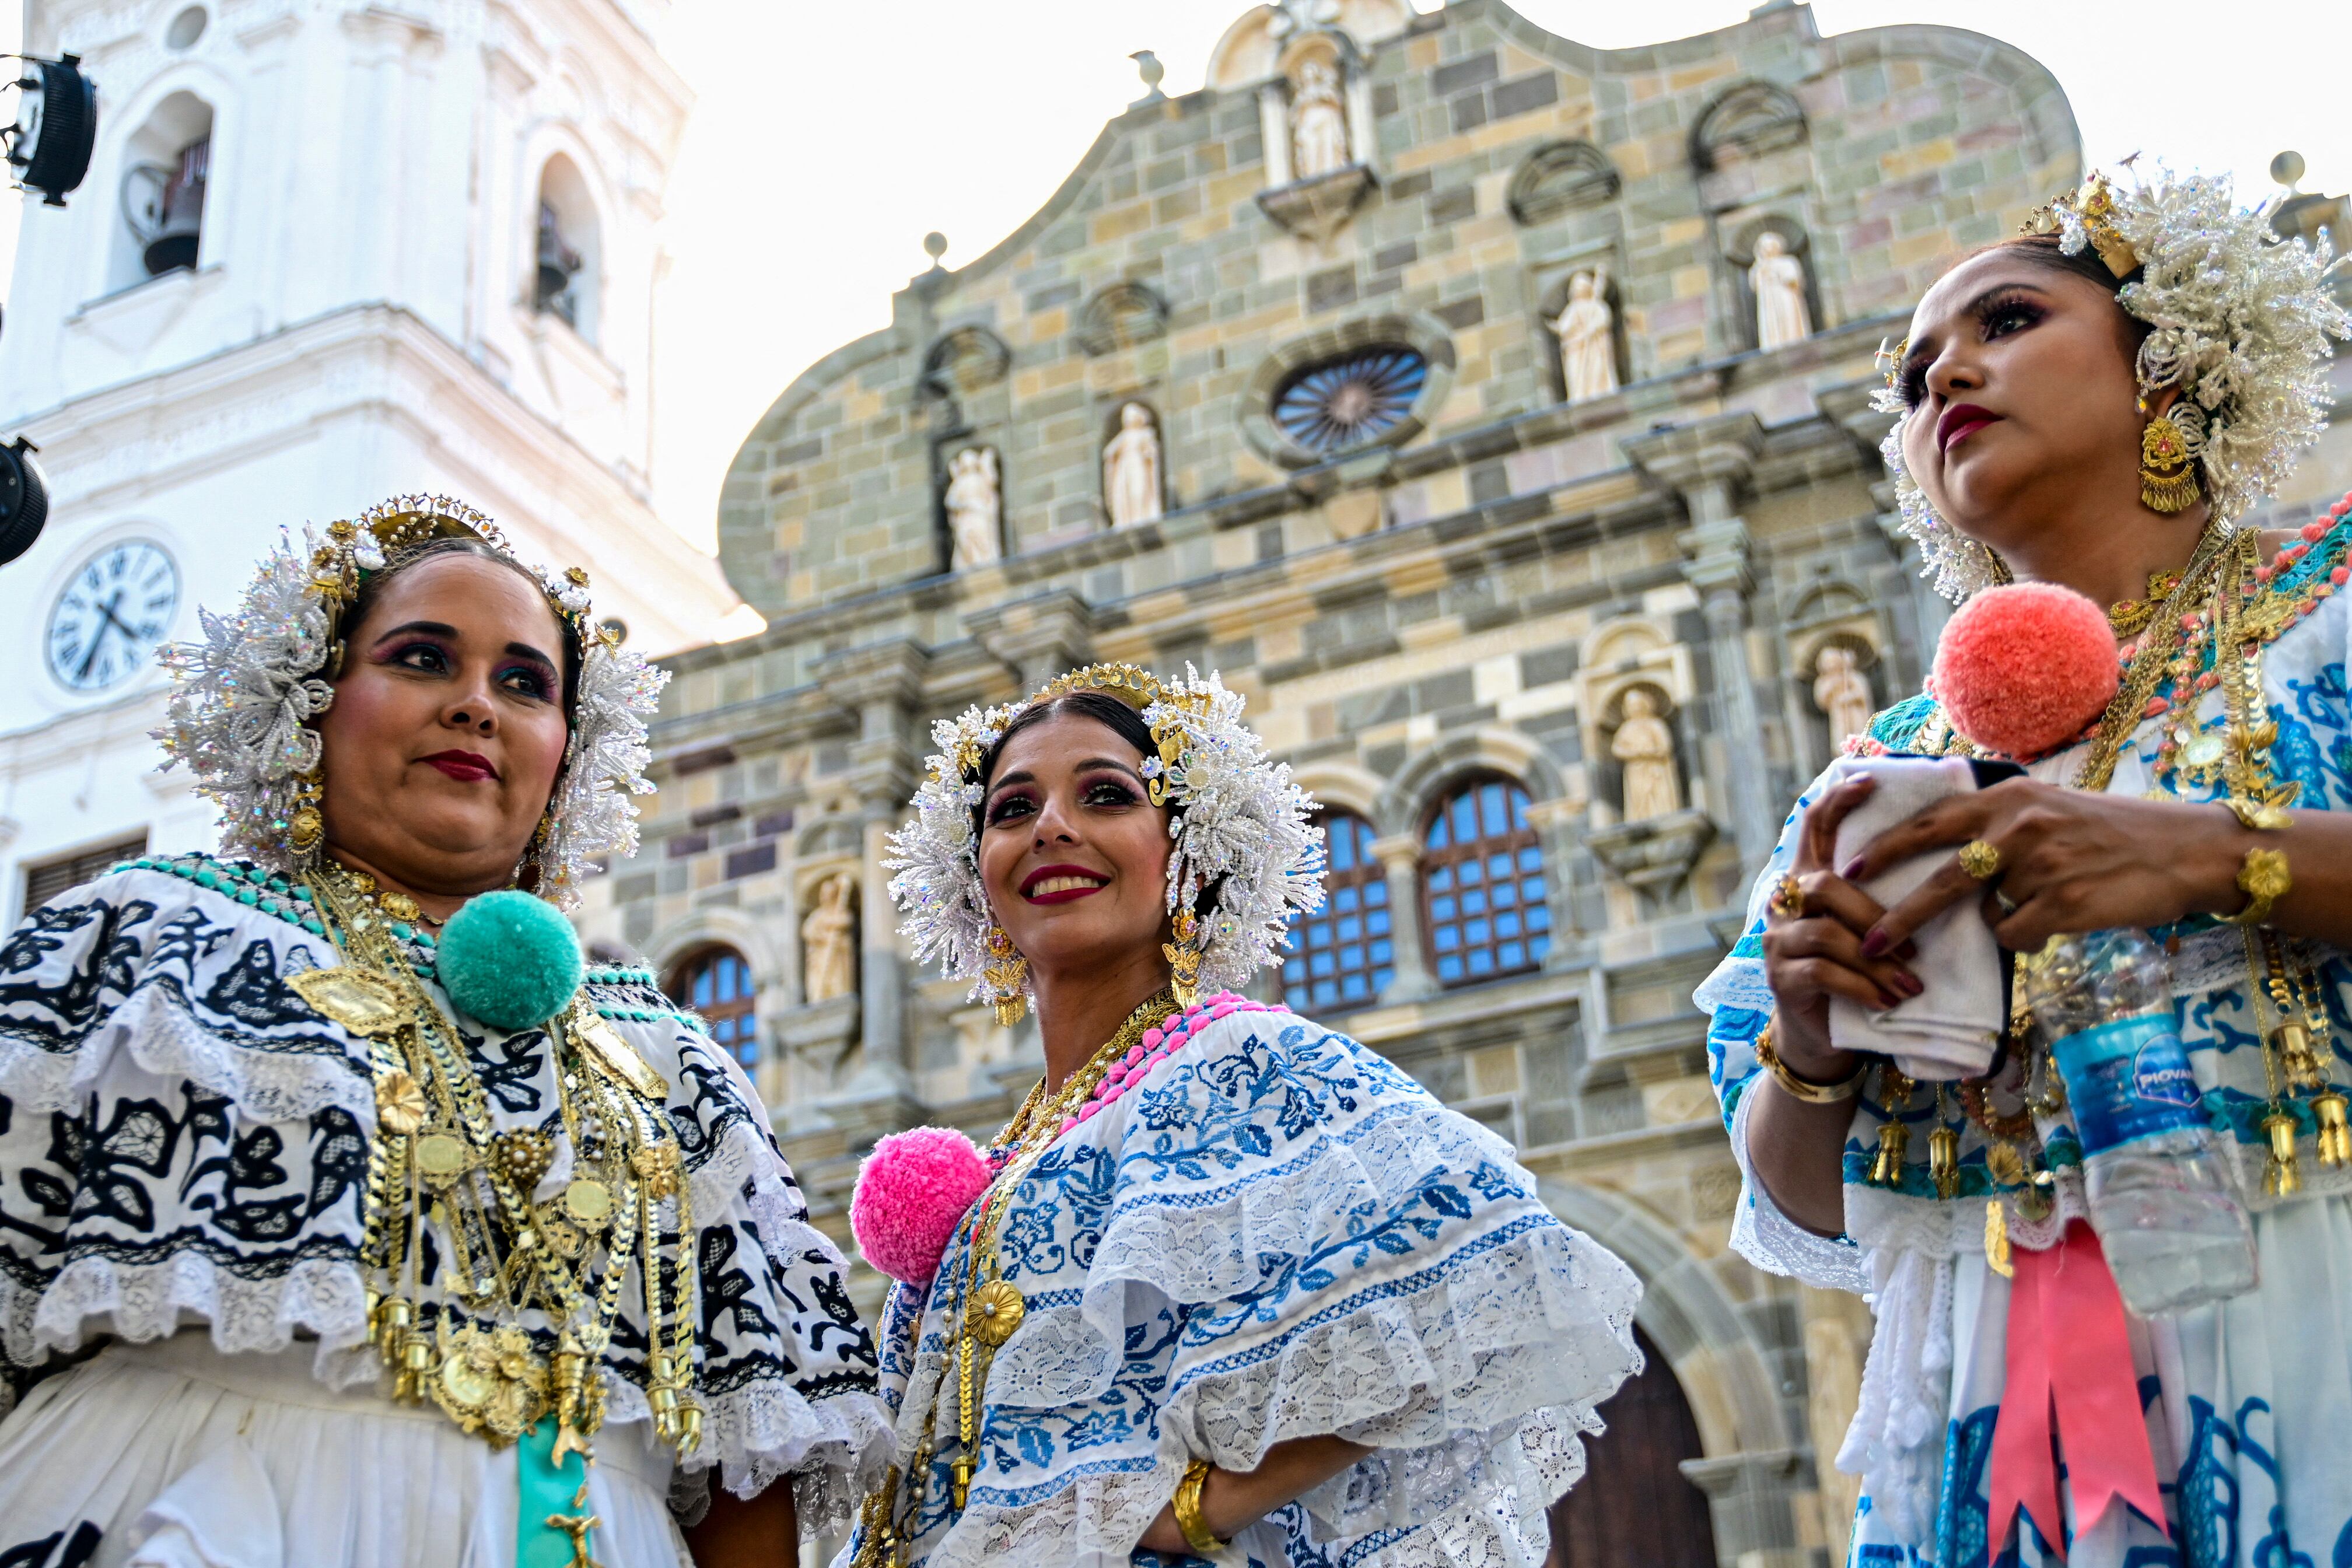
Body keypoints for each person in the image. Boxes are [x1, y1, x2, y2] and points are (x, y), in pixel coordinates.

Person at [0, 495, 891, 1566]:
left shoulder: (666, 1054)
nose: (477, 705)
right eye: (423, 658)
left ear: (568, 750)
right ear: (311, 695)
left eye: (526, 682)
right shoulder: (146, 940)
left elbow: (754, 1464)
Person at [1698, 169, 2352, 1566]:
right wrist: (1810, 1042)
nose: (1949, 376)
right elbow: (1803, 1200)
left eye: (2006, 318)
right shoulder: (1875, 774)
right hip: (2004, 1375)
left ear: (2170, 362)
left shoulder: (2338, 606)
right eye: (1919, 373)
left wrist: (2211, 855)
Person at [845, 663, 1643, 1567]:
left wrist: (1193, 1511)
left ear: (1189, 855)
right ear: (975, 874)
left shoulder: (1239, 1062)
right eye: (1011, 809)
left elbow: (1499, 1269)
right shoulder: (1021, 1143)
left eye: (1106, 795)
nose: (1053, 828)